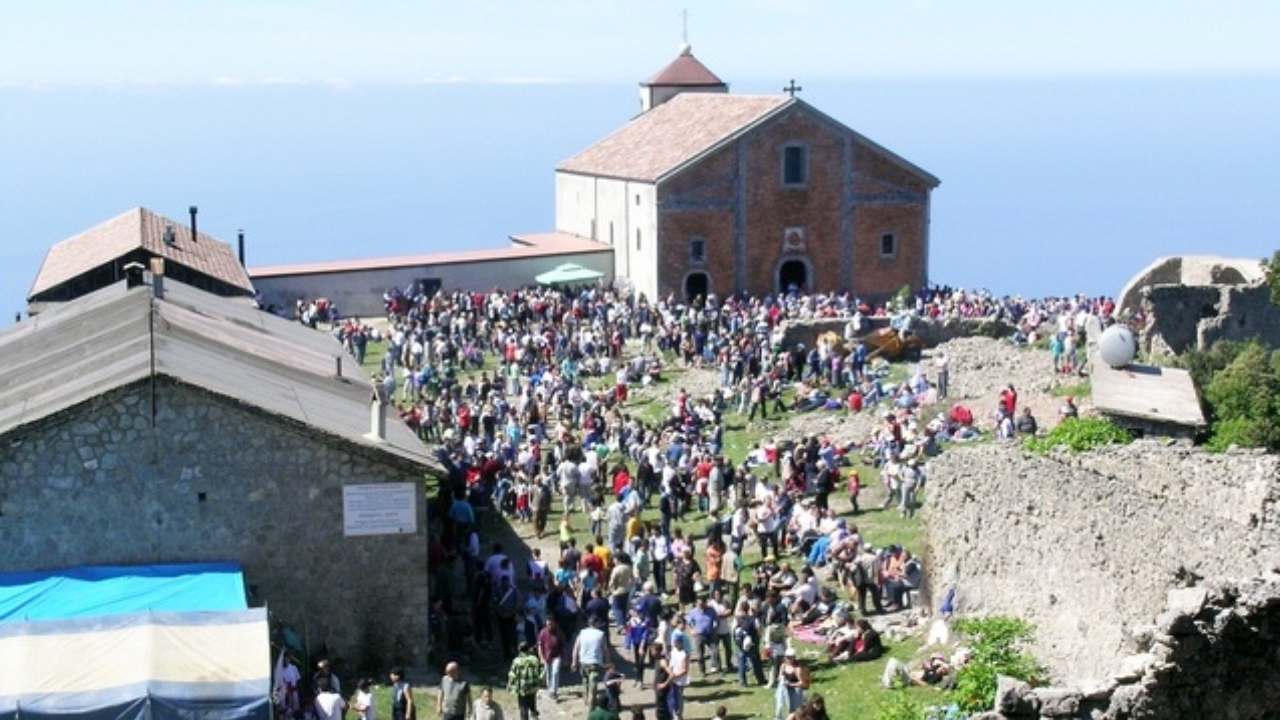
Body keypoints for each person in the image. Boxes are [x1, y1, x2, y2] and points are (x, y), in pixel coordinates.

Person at [573, 617, 611, 708]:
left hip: (583, 662)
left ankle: (586, 699)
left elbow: (576, 648)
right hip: (595, 662)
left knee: (585, 680)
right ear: (596, 624)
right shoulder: (601, 634)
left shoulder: (582, 633)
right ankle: (592, 701)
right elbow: (605, 650)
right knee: (593, 682)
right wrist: (608, 662)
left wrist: (574, 661)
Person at [507, 642, 544, 720]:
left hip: (521, 689)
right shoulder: (534, 659)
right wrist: (539, 681)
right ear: (528, 649)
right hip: (532, 687)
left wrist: (509, 685)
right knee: (532, 703)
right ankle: (534, 715)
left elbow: (512, 674)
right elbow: (540, 671)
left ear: (519, 650)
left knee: (523, 708)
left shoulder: (516, 661)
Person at [773, 649, 809, 720]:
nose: (788, 659)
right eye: (787, 657)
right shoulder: (783, 665)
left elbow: (802, 683)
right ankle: (779, 716)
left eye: (790, 657)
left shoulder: (797, 668)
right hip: (785, 688)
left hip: (796, 689)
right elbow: (779, 676)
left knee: (795, 708)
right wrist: (781, 678)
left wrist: (790, 684)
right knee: (780, 704)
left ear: (794, 657)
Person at [537, 617, 565, 700]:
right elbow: (539, 646)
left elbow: (562, 645)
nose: (549, 626)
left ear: (554, 623)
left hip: (557, 656)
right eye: (548, 624)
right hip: (547, 657)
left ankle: (554, 691)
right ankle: (550, 690)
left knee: (555, 672)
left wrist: (564, 656)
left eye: (550, 624)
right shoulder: (542, 632)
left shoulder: (559, 632)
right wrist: (541, 657)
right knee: (548, 674)